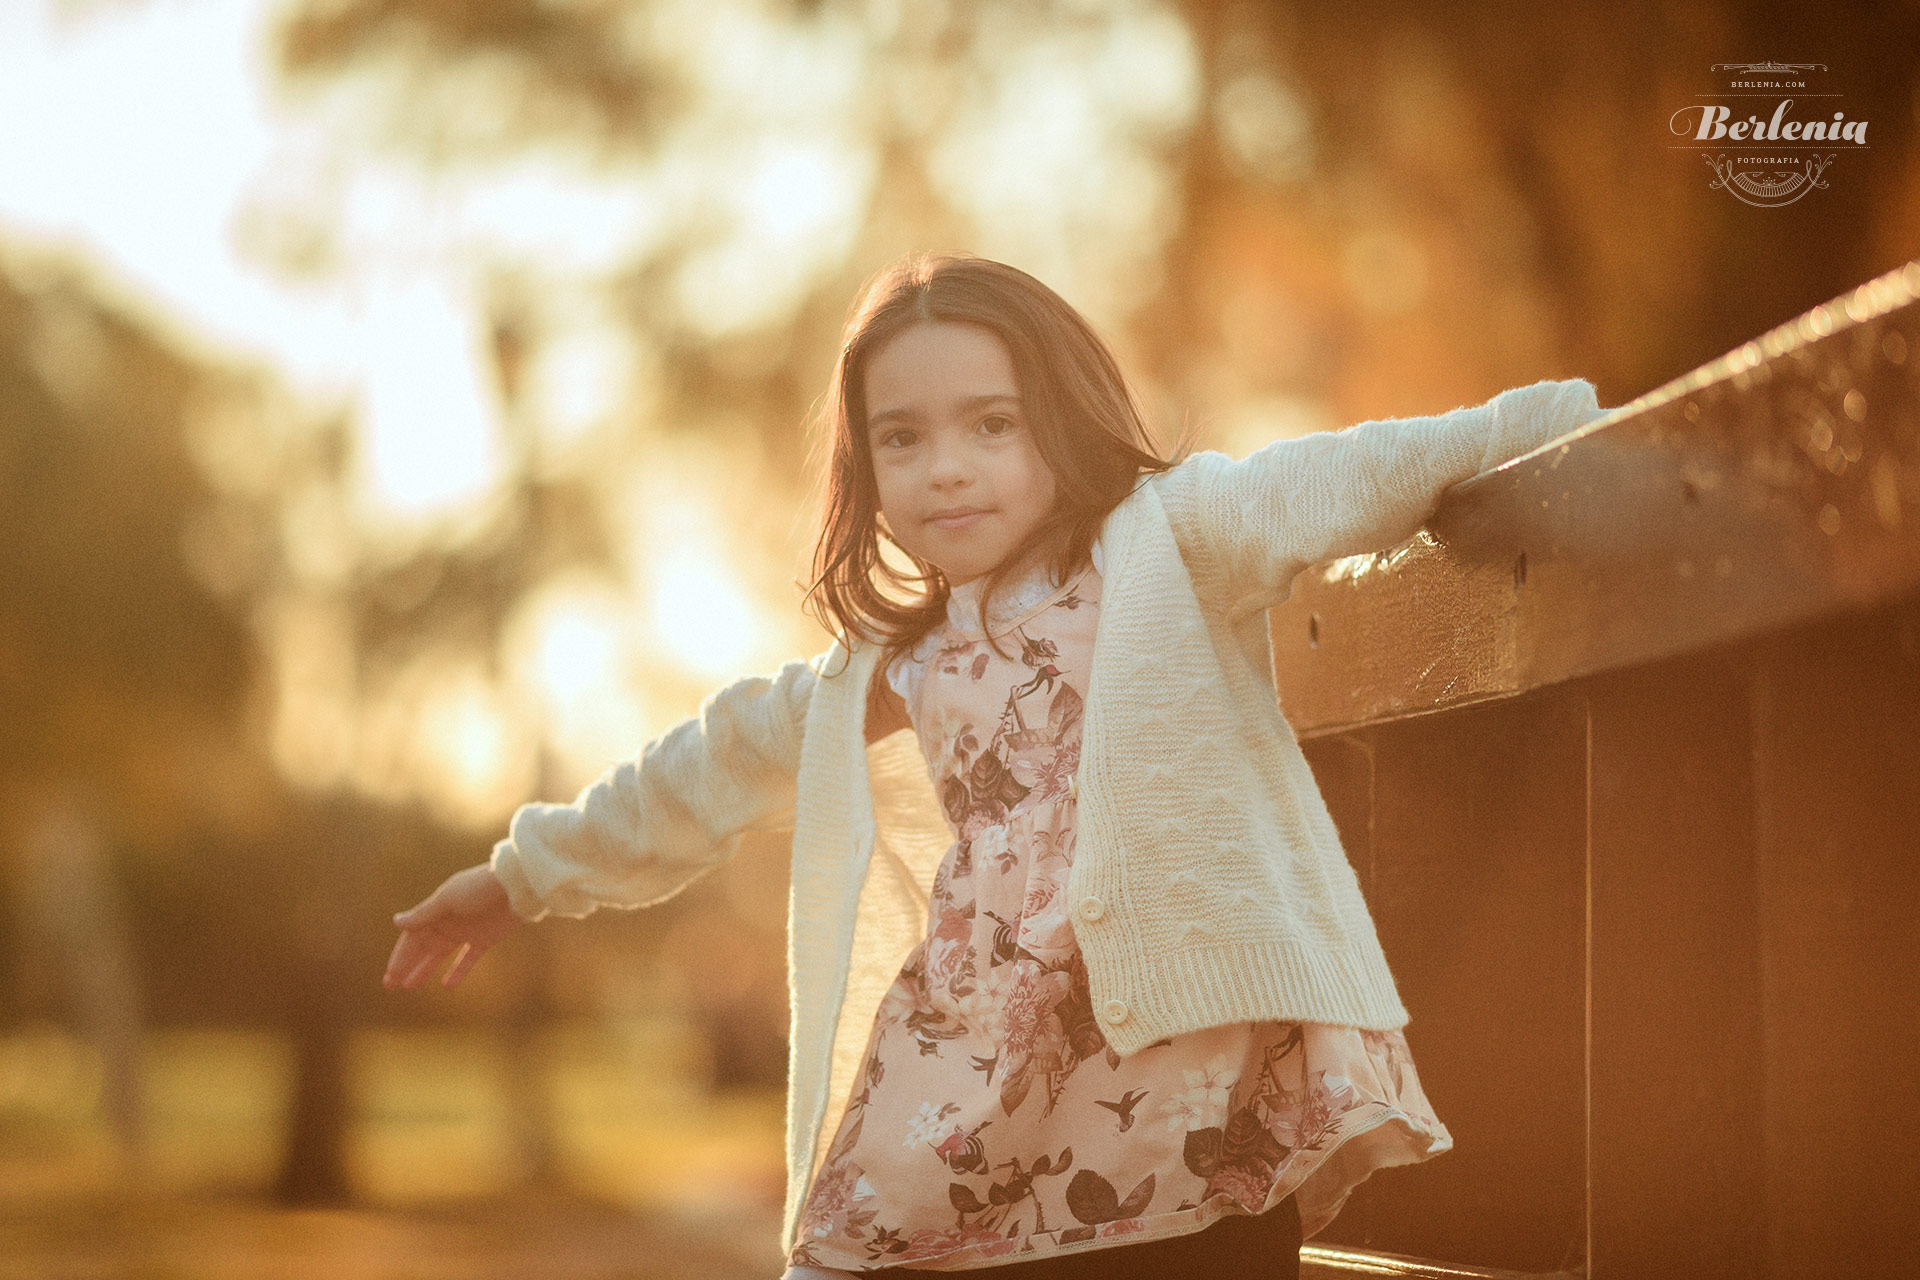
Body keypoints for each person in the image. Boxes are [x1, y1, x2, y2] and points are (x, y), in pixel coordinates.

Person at [384, 252, 1612, 1278]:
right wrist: (520, 873)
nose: (947, 466)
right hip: (977, 1051)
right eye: (901, 439)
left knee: (1188, 1241)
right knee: (859, 1241)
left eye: (991, 423)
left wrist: (1548, 423)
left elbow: (1339, 478)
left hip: (1173, 1053)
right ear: (865, 471)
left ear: (1062, 420)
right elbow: (704, 766)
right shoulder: (887, 665)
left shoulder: (1167, 545)